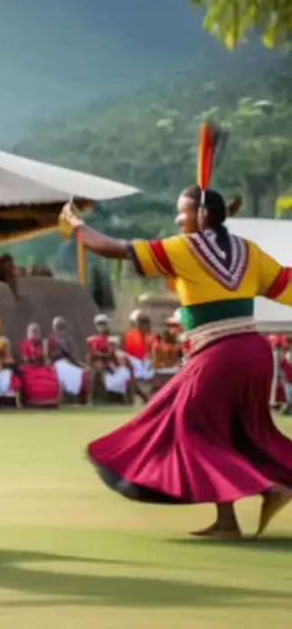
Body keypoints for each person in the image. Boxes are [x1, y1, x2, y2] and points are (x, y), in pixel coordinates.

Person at [60, 122, 292, 538]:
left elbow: (111, 247)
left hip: (218, 356)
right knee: (234, 431)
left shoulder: (181, 248)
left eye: (181, 211)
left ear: (201, 215)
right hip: (254, 354)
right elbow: (287, 287)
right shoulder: (249, 251)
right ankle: (227, 521)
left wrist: (74, 224)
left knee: (192, 427)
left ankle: (271, 487)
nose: (175, 217)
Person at [17, 323, 60, 407]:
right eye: (32, 332)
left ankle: (50, 400)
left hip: (41, 367)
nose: (34, 334)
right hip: (29, 367)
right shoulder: (24, 343)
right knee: (29, 378)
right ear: (28, 333)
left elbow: (47, 358)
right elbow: (24, 358)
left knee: (50, 375)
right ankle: (31, 400)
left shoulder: (44, 344)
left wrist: (45, 358)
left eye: (36, 332)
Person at [48, 317, 87, 403]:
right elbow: (51, 355)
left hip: (68, 362)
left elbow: (71, 356)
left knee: (83, 371)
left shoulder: (67, 338)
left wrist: (78, 364)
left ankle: (79, 397)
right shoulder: (52, 339)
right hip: (57, 363)